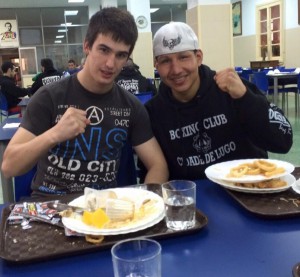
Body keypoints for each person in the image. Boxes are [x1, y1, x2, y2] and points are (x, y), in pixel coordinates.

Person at [1, 7, 168, 197]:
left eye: (121, 55)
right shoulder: (49, 97)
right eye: (104, 50)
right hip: (51, 206)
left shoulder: (131, 106)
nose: (110, 64)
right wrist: (55, 133)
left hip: (104, 211)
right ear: (87, 46)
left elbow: (158, 165)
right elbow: (9, 167)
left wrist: (143, 203)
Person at [142, 21, 293, 181]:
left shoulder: (232, 90)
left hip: (249, 193)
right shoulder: (153, 113)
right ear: (156, 65)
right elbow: (150, 171)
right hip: (192, 199)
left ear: (198, 57)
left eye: (183, 57)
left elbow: (283, 142)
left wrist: (245, 98)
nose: (176, 69)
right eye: (166, 61)